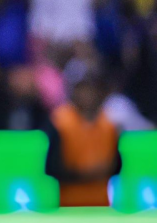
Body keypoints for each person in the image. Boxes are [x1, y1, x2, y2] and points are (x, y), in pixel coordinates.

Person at [44, 61, 122, 207]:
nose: (87, 94)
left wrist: (105, 170)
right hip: (70, 206)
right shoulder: (60, 122)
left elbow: (118, 166)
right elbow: (52, 168)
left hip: (101, 206)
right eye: (82, 88)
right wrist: (86, 174)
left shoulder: (109, 123)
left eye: (91, 88)